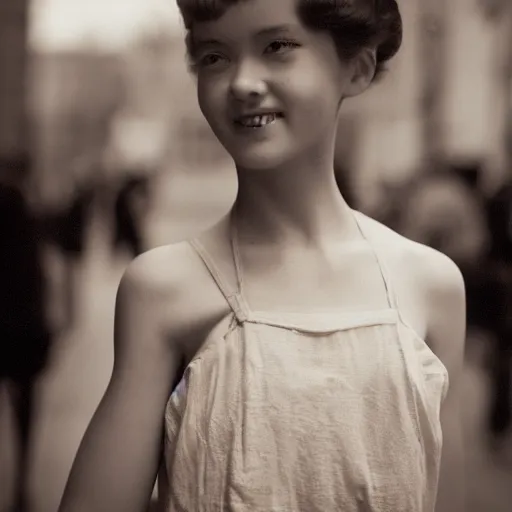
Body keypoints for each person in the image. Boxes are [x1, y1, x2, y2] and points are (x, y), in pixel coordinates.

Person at [58, 1, 466, 511]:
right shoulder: (164, 290)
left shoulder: (429, 285)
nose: (242, 82)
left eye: (277, 47)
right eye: (213, 56)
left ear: (357, 67)